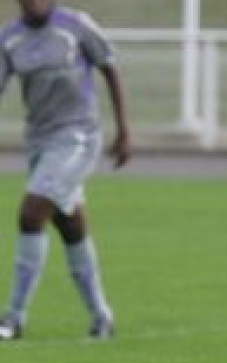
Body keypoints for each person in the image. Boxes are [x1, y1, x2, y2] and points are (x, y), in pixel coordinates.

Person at [0, 0, 130, 340]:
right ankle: (101, 317)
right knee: (70, 225)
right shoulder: (9, 38)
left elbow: (109, 67)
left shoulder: (76, 25)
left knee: (31, 214)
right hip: (39, 143)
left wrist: (123, 131)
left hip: (78, 138)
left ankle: (13, 317)